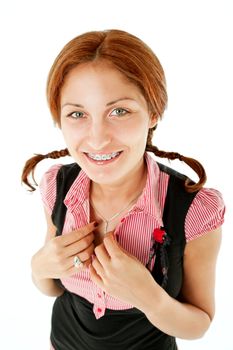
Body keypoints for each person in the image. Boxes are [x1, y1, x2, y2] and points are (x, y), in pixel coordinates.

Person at [22, 29, 225, 350]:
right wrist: (38, 268)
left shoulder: (193, 210)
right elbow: (53, 288)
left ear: (153, 112)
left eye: (119, 111)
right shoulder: (58, 187)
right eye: (77, 114)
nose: (97, 138)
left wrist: (149, 297)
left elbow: (198, 324)